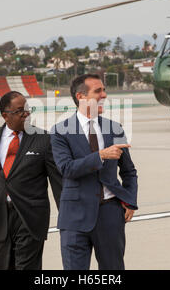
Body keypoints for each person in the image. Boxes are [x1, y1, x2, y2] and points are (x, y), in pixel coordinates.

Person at [50, 74, 138, 270]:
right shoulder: (60, 131)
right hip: (74, 217)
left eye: (104, 90)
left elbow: (129, 171)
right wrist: (101, 156)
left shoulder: (114, 128)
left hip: (110, 214)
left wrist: (130, 200)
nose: (104, 95)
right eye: (98, 91)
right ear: (81, 97)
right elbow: (66, 169)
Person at [0, 91, 62, 270]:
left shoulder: (44, 139)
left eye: (27, 109)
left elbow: (58, 182)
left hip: (30, 218)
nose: (26, 114)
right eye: (20, 111)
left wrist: (66, 214)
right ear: (5, 115)